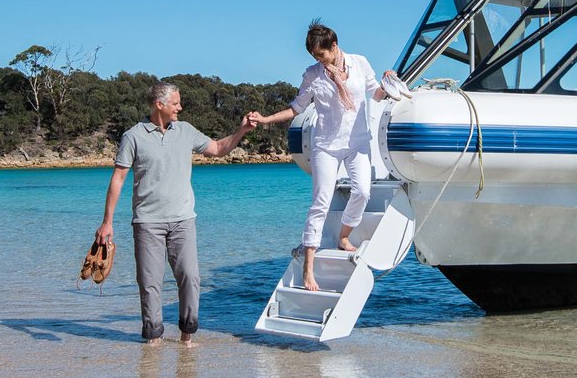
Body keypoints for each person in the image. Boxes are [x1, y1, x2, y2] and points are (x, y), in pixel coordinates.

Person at [97, 81, 253, 347]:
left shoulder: (186, 131)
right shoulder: (133, 136)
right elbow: (118, 179)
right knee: (149, 284)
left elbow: (217, 149)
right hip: (147, 223)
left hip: (183, 220)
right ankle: (153, 340)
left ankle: (187, 337)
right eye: (176, 103)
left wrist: (242, 130)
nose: (180, 107)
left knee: (191, 278)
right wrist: (107, 222)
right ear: (160, 105)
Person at [248, 23, 399, 291]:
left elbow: (376, 93)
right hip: (325, 145)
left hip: (357, 142)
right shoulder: (313, 75)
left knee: (362, 191)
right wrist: (266, 119)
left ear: (334, 46)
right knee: (320, 202)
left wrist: (388, 82)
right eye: (314, 56)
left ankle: (344, 236)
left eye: (321, 55)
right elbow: (296, 108)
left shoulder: (359, 63)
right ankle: (308, 268)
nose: (318, 60)